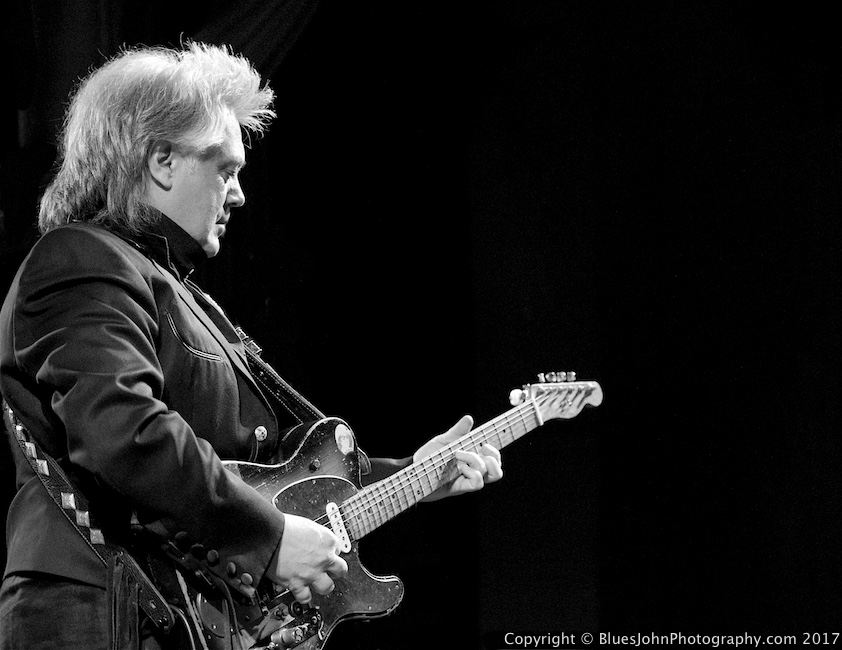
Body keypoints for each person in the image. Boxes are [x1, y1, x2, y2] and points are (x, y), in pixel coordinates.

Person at [0, 41, 502, 649]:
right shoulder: (80, 260)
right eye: (226, 170)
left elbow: (265, 474)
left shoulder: (178, 291)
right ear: (161, 159)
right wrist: (269, 540)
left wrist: (414, 474)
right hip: (100, 613)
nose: (238, 194)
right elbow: (127, 434)